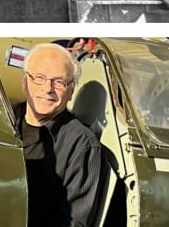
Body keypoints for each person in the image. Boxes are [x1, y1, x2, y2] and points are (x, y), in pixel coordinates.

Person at [14, 43, 104, 227]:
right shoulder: (0, 122)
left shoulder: (82, 145)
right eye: (39, 78)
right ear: (25, 82)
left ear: (71, 91)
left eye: (59, 82)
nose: (48, 88)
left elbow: (74, 222)